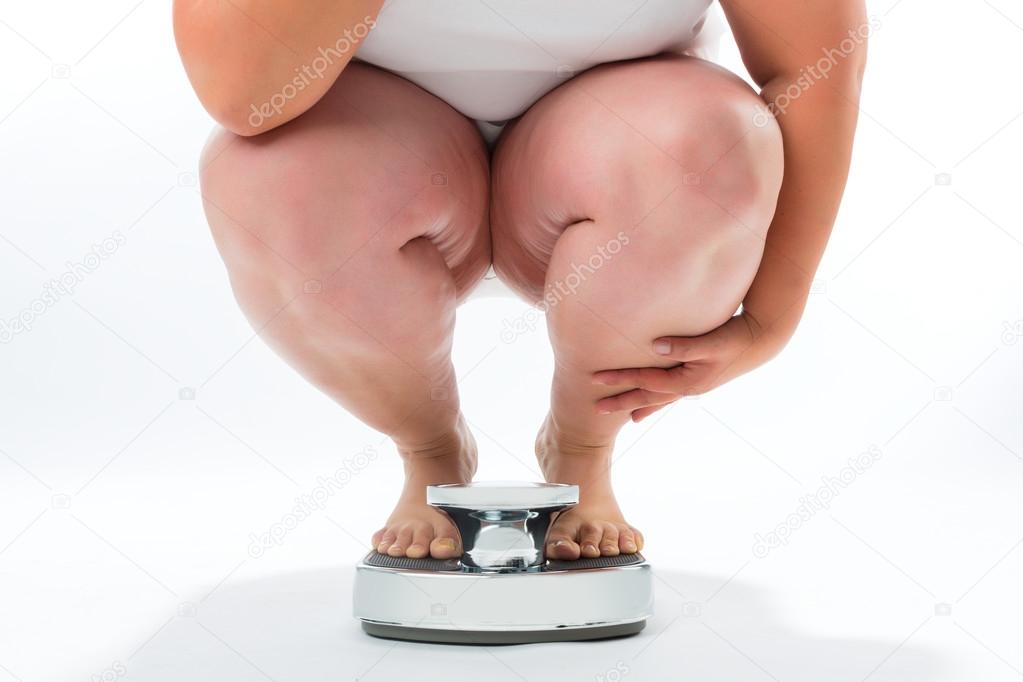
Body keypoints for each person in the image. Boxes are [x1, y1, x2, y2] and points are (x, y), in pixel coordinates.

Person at [173, 0, 867, 561]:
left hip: (623, 146)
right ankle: (428, 448)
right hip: (375, 144)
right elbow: (243, 92)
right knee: (274, 181)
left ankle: (581, 446)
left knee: (710, 147)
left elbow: (810, 68)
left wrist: (773, 316)